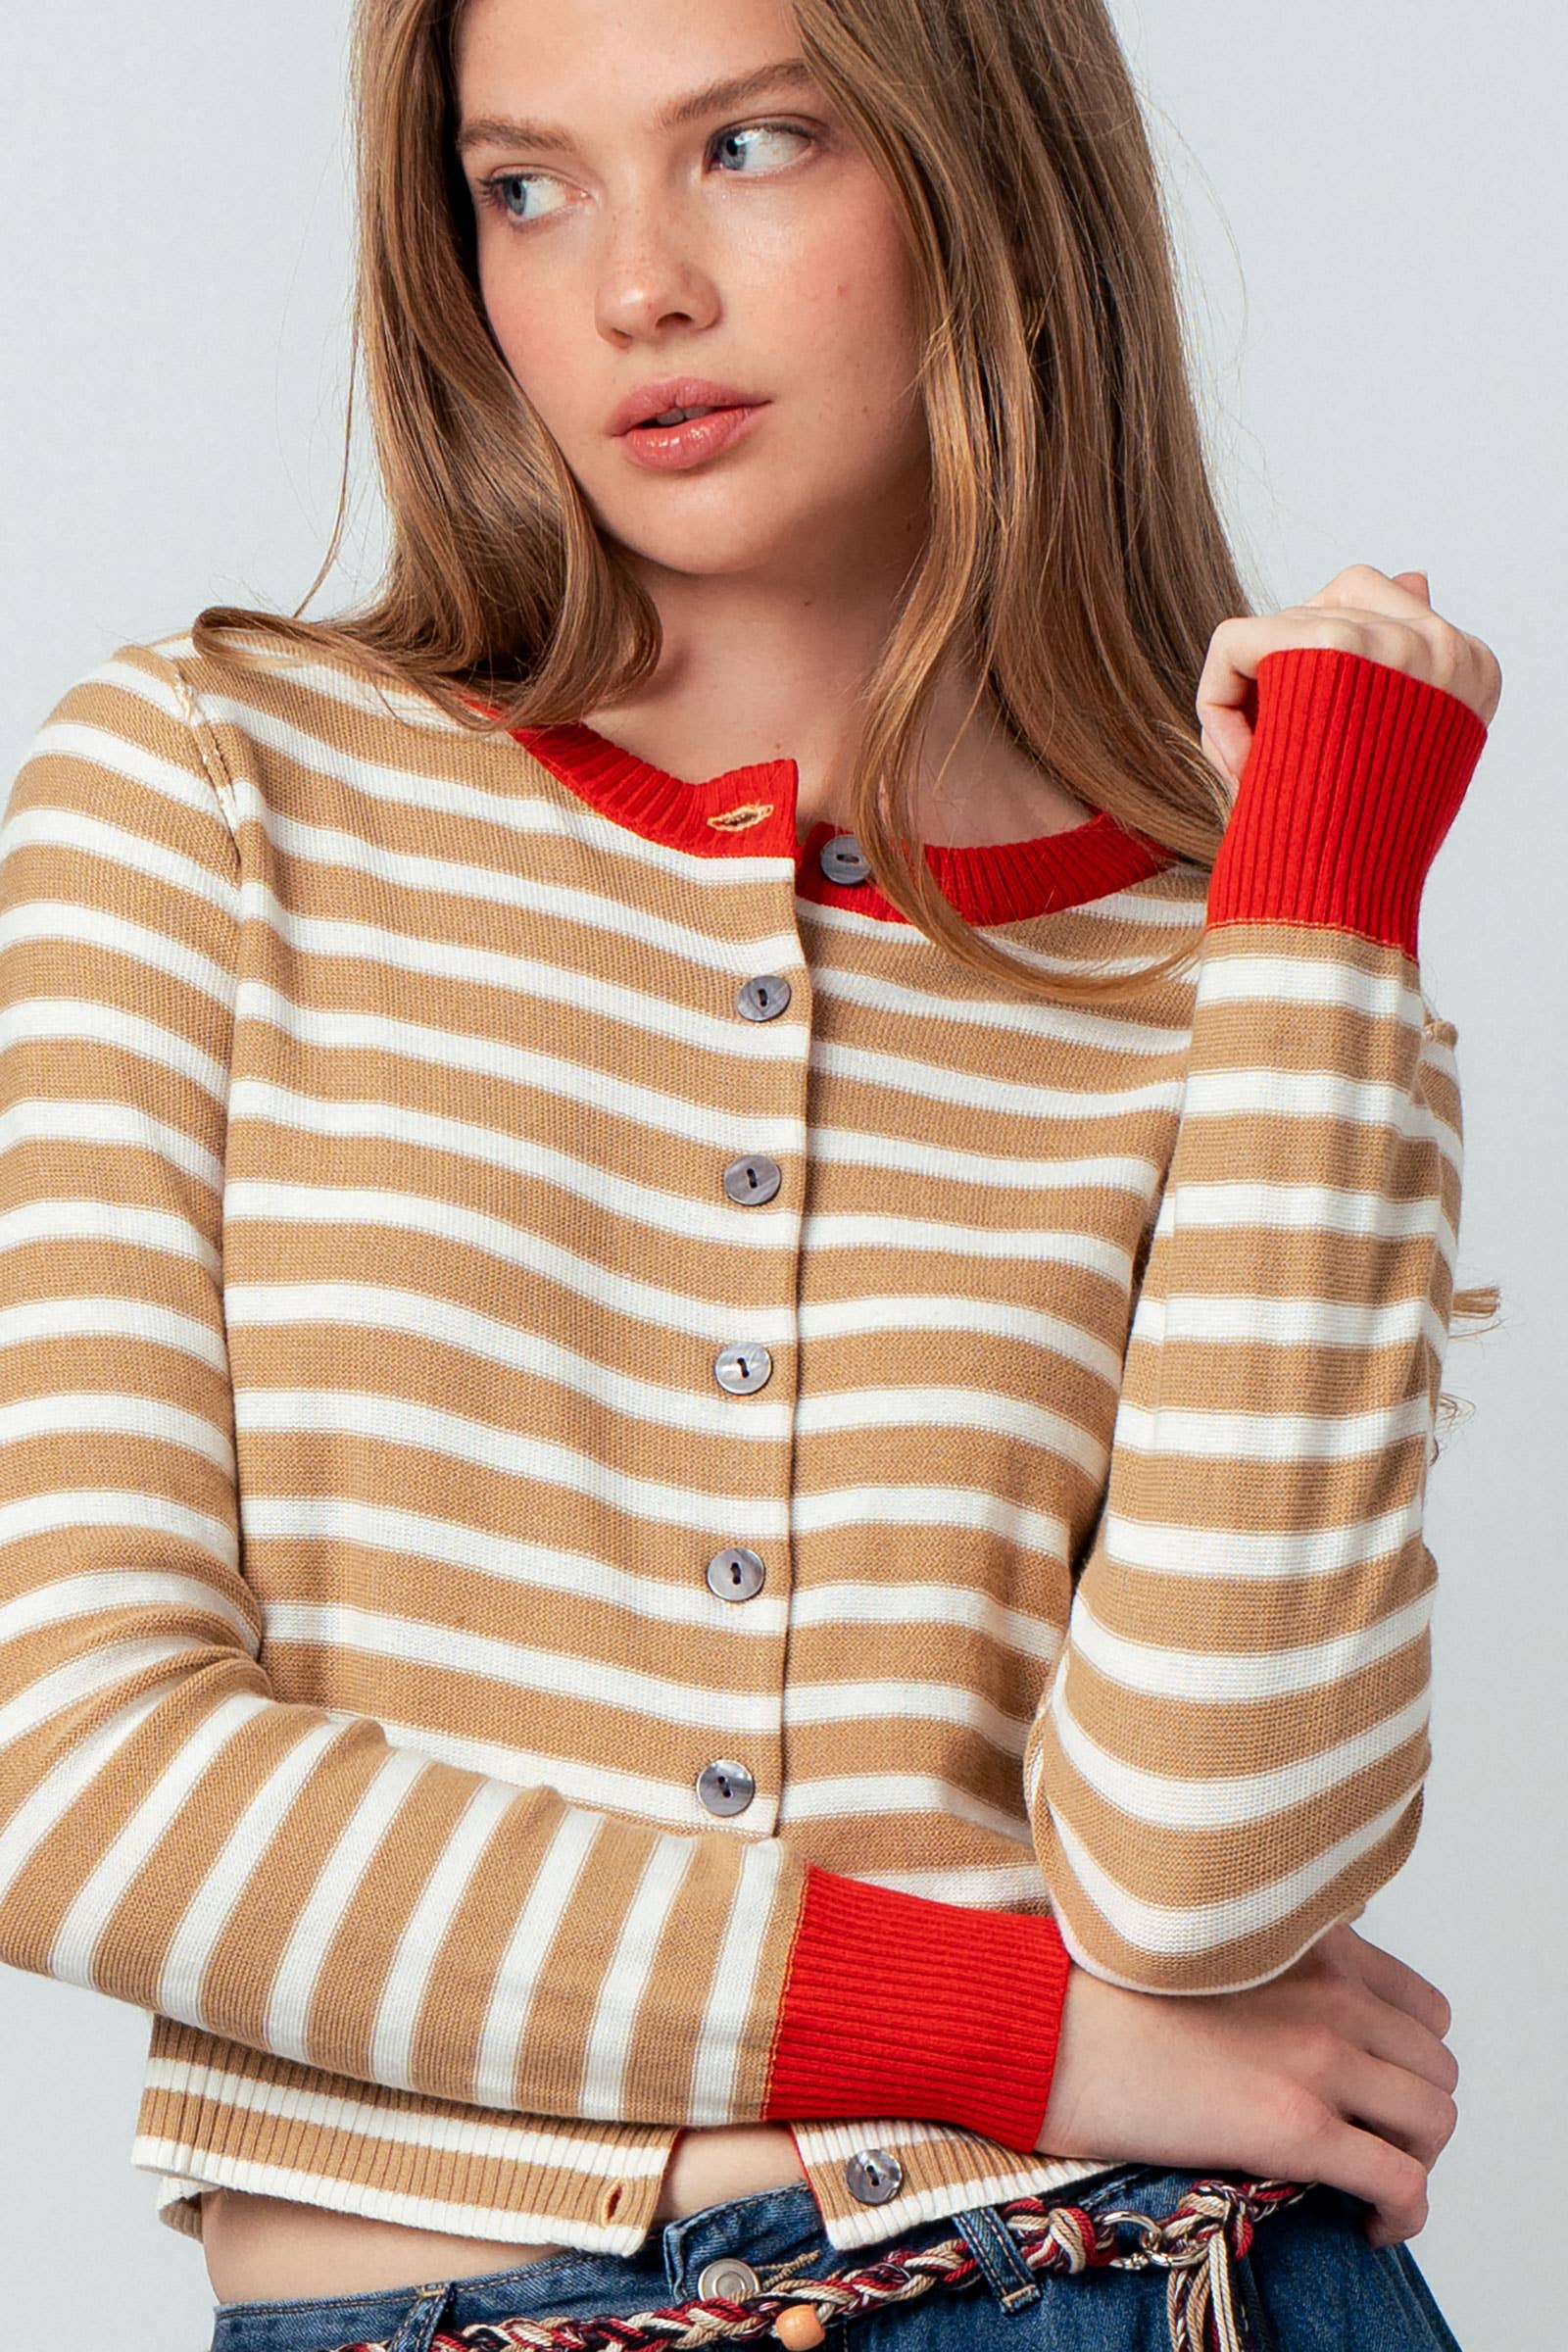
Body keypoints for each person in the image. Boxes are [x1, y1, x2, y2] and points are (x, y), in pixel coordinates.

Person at [0, 0, 1501, 2344]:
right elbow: (66, 1769)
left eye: (754, 144)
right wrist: (1011, 2036)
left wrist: (1315, 908)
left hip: (1150, 2287)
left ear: (990, 180)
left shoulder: (1226, 962)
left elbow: (1205, 1877)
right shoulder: (215, 790)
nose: (634, 290)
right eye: (525, 187)